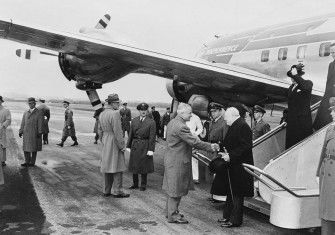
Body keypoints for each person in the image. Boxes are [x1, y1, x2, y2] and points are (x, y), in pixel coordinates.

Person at [162, 103, 219, 224]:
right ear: (182, 113)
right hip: (178, 162)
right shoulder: (181, 126)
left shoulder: (172, 122)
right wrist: (212, 147)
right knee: (176, 189)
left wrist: (187, 148)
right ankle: (173, 215)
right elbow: (195, 142)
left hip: (172, 159)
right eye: (189, 113)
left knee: (172, 187)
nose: (191, 115)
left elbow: (178, 142)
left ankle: (170, 211)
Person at [218, 107, 254, 228]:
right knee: (231, 192)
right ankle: (227, 216)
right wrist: (222, 151)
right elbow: (232, 143)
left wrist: (231, 156)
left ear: (233, 115)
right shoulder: (235, 124)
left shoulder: (243, 126)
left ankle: (235, 220)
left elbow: (246, 146)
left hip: (239, 166)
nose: (225, 119)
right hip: (234, 165)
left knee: (237, 194)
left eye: (226, 117)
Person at [98, 94, 129, 198]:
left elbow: (100, 130)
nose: (119, 104)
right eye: (117, 103)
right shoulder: (115, 113)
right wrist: (122, 146)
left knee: (107, 167)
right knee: (118, 167)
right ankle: (118, 191)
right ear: (112, 103)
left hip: (106, 140)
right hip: (114, 141)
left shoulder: (102, 113)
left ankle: (106, 190)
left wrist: (103, 140)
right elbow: (118, 132)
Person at [316, 97, 335, 235]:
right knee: (325, 210)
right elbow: (323, 151)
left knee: (332, 210)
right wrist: (318, 172)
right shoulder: (330, 128)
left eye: (334, 111)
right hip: (326, 173)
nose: (332, 114)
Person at [127, 102, 156, 191]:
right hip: (135, 144)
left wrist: (151, 149)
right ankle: (135, 184)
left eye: (144, 110)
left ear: (147, 111)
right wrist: (128, 145)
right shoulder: (134, 120)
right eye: (141, 110)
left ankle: (143, 185)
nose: (143, 111)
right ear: (139, 111)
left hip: (145, 145)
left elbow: (152, 137)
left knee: (144, 165)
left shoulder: (151, 122)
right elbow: (131, 134)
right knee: (134, 165)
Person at [286, 64, 313, 149]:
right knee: (291, 146)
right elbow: (290, 105)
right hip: (292, 123)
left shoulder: (308, 83)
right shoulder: (291, 88)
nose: (291, 78)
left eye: (293, 76)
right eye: (291, 76)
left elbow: (305, 87)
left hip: (302, 125)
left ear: (299, 75)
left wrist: (296, 75)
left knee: (302, 148)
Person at [207, 102, 229, 202]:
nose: (213, 113)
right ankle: (214, 194)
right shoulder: (212, 122)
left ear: (220, 111)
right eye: (211, 112)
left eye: (215, 111)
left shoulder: (224, 122)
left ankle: (218, 196)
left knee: (218, 174)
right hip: (212, 149)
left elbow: (225, 138)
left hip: (218, 150)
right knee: (213, 173)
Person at [313, 43, 335, 131]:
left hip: (333, 98)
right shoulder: (331, 64)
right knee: (320, 122)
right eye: (332, 53)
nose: (333, 55)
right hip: (327, 96)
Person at [19, 97, 43, 167]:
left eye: (32, 103)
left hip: (34, 133)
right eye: (29, 103)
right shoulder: (26, 112)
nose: (30, 104)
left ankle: (32, 162)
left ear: (35, 103)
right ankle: (27, 161)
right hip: (26, 133)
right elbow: (23, 122)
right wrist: (20, 131)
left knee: (33, 148)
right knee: (26, 148)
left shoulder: (39, 112)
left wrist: (39, 132)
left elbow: (40, 123)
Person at [186, 112, 203, 184]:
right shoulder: (181, 115)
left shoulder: (196, 117)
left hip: (193, 138)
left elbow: (200, 128)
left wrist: (195, 134)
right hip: (183, 138)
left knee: (194, 157)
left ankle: (195, 177)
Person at [0, 96, 11, 166]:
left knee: (2, 145)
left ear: (1, 101)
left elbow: (8, 119)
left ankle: (2, 160)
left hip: (1, 129)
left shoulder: (6, 110)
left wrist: (3, 125)